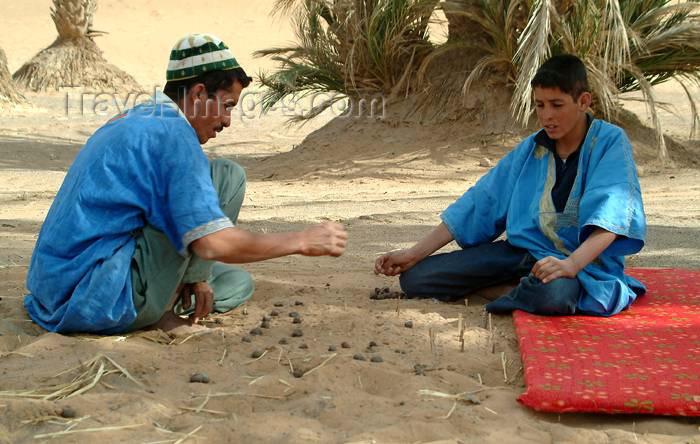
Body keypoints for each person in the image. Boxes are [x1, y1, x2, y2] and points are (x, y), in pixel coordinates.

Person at [25, 33, 347, 335]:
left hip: (54, 293)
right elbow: (213, 244)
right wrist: (302, 240)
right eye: (226, 106)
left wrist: (198, 276)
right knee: (226, 179)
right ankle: (163, 309)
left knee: (236, 280)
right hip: (102, 298)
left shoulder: (138, 117)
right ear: (197, 93)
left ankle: (189, 283)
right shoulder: (174, 136)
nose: (227, 121)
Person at [375, 54, 646, 316]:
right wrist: (413, 253)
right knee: (417, 279)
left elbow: (612, 218)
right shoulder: (532, 148)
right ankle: (515, 290)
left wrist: (570, 264)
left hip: (581, 263)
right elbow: (482, 201)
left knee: (556, 295)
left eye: (557, 104)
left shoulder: (610, 142)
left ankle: (503, 291)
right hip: (521, 253)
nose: (546, 115)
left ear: (583, 101)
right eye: (539, 105)